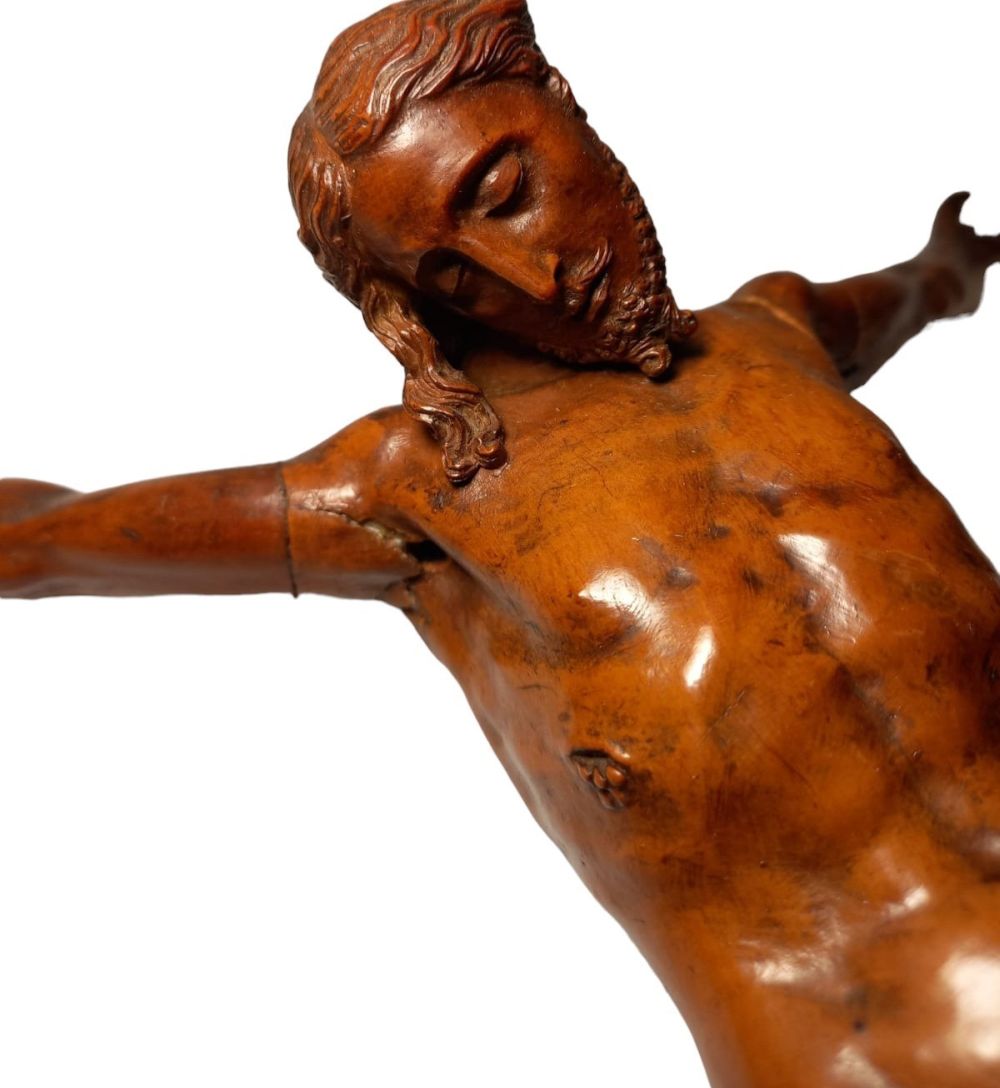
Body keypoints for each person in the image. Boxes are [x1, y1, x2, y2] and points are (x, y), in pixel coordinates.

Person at [2, 1, 998, 1084]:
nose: (530, 277)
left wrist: (952, 261)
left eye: (505, 191)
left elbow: (922, 287)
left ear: (562, 106)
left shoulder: (779, 329)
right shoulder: (418, 489)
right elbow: (43, 539)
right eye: (452, 276)